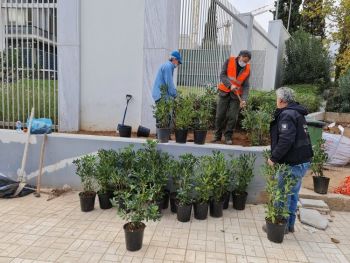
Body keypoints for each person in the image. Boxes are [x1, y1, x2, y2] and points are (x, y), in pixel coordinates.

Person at [264, 87, 314, 233]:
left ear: (281, 100)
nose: (276, 101)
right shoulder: (297, 112)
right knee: (292, 193)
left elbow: (286, 139)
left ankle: (280, 226)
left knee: (282, 193)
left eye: (276, 99)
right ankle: (289, 225)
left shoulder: (287, 114)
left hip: (293, 162)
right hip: (302, 160)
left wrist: (274, 158)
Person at [212, 50, 251, 145]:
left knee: (233, 117)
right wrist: (230, 85)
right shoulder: (229, 61)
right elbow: (222, 75)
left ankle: (228, 136)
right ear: (239, 56)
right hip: (224, 92)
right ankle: (217, 136)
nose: (244, 63)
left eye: (246, 62)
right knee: (220, 115)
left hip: (236, 96)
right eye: (243, 60)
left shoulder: (247, 69)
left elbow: (246, 86)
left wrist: (244, 99)